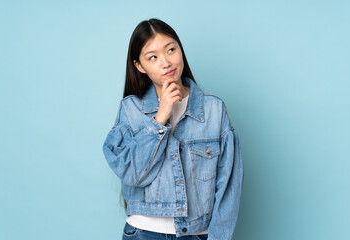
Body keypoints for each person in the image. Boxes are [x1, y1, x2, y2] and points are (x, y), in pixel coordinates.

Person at [102, 18, 244, 240]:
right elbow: (131, 173)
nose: (166, 63)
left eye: (171, 50)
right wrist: (160, 119)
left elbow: (228, 186)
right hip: (142, 233)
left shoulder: (214, 109)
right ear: (139, 66)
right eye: (153, 57)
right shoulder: (130, 110)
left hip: (197, 234)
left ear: (180, 50)